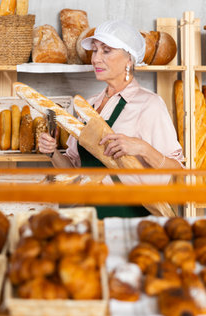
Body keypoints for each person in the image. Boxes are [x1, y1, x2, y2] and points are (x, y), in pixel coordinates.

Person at [38, 20, 183, 218]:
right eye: (95, 50)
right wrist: (52, 152)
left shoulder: (149, 105)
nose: (96, 59)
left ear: (129, 59)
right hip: (87, 217)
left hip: (132, 219)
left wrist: (141, 147)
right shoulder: (87, 106)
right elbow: (74, 172)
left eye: (106, 51)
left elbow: (177, 168)